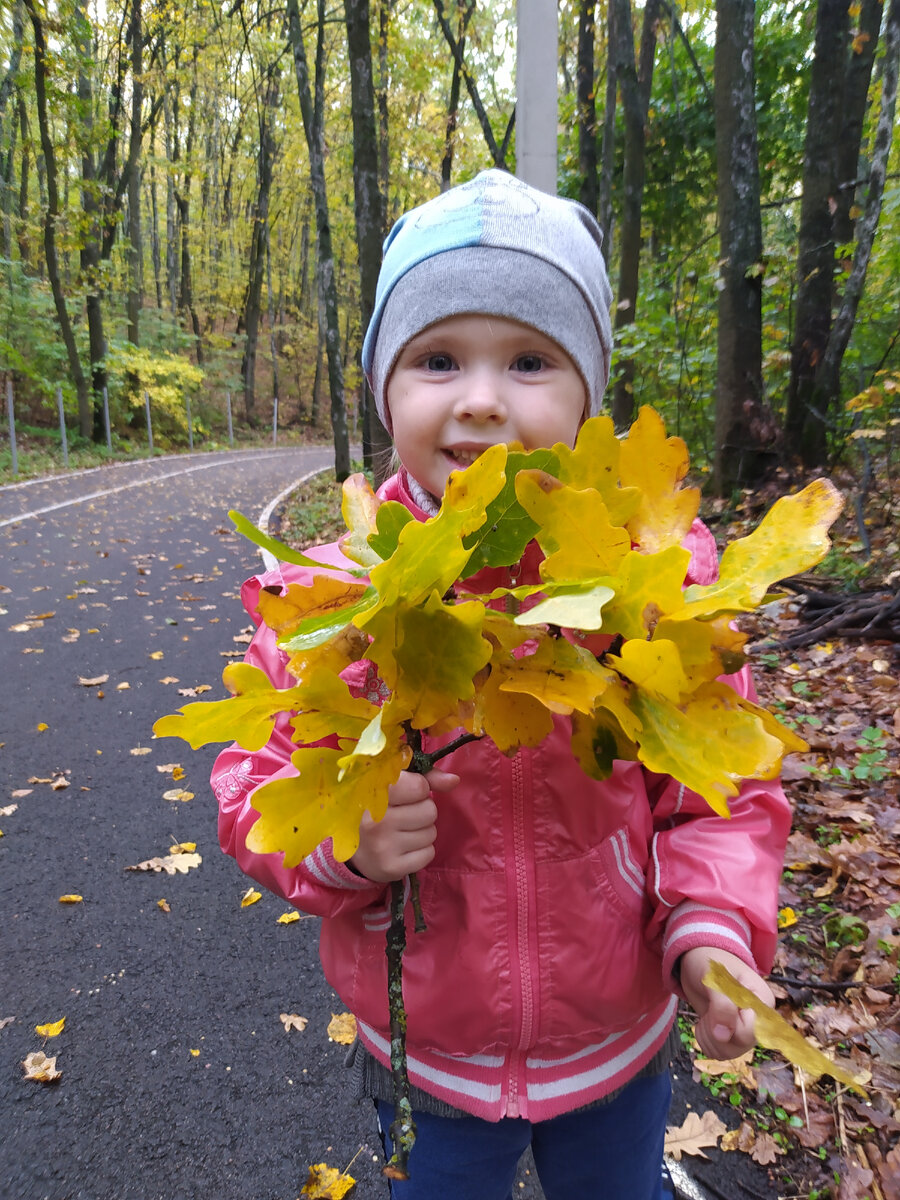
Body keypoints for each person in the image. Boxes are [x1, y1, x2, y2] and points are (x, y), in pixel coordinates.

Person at [212, 170, 791, 1200]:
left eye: (529, 360)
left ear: (587, 396)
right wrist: (345, 841)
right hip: (426, 1053)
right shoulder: (329, 606)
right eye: (437, 359)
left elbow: (721, 790)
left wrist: (711, 932)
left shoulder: (652, 593)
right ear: (387, 389)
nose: (481, 398)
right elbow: (256, 789)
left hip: (615, 1040)